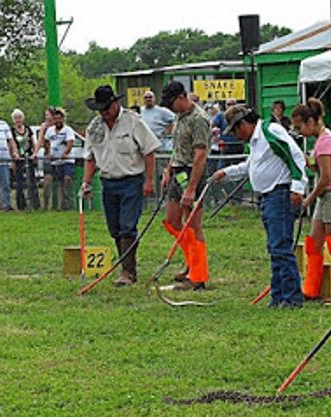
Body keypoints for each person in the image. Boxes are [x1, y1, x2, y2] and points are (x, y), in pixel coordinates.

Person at [212, 105, 308, 308]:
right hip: (268, 198)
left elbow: (296, 156)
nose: (237, 137)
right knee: (275, 248)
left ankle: (291, 298)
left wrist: (298, 188)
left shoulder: (271, 131)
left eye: (236, 131)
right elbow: (251, 166)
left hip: (280, 194)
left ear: (243, 124)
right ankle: (278, 296)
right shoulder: (256, 142)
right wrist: (227, 173)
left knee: (281, 248)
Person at [81, 85, 160, 286]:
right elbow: (90, 158)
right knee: (114, 228)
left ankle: (127, 272)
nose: (104, 112)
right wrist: (86, 182)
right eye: (100, 109)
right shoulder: (94, 127)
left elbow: (149, 152)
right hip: (108, 182)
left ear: (116, 104)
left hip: (132, 181)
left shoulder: (134, 122)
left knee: (127, 226)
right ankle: (127, 266)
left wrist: (149, 181)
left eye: (106, 108)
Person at [291, 98, 331, 302]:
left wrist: (308, 199)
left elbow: (326, 178)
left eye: (300, 127)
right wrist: (311, 163)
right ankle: (310, 289)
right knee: (314, 243)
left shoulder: (326, 141)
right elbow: (319, 170)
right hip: (325, 197)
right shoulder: (319, 141)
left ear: (311, 122)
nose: (299, 131)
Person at [158, 81, 212, 290]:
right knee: (172, 221)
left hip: (192, 173)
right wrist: (168, 168)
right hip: (178, 171)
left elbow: (200, 156)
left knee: (193, 225)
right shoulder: (179, 116)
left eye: (171, 103)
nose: (169, 108)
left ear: (182, 97)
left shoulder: (199, 119)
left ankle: (198, 276)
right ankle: (190, 263)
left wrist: (191, 188)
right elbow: (178, 147)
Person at [44, 107, 75, 211]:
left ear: (63, 119)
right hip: (55, 161)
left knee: (67, 179)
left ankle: (68, 200)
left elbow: (70, 143)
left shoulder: (68, 130)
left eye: (60, 118)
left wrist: (65, 153)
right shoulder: (50, 131)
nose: (58, 121)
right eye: (56, 119)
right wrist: (48, 152)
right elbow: (46, 142)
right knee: (57, 182)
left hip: (67, 161)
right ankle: (57, 206)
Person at [10, 108, 39, 210]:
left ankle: (35, 204)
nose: (18, 120)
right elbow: (11, 144)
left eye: (20, 118)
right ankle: (21, 205)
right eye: (16, 118)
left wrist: (34, 154)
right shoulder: (12, 131)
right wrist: (14, 157)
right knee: (19, 182)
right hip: (18, 158)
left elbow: (33, 142)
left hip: (29, 157)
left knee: (32, 181)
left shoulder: (28, 129)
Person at [33, 107, 56, 210]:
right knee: (47, 182)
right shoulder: (44, 126)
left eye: (48, 115)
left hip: (58, 157)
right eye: (45, 115)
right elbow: (39, 141)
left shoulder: (59, 125)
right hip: (48, 157)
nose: (47, 117)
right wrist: (35, 153)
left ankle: (59, 205)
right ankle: (45, 205)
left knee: (59, 183)